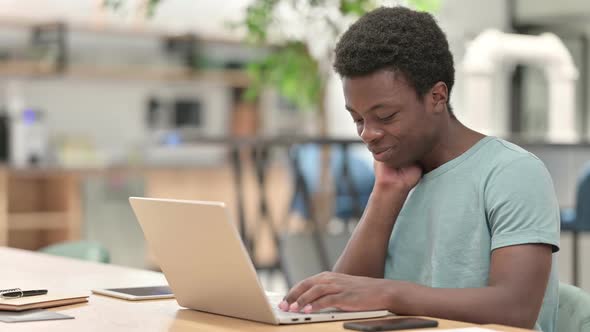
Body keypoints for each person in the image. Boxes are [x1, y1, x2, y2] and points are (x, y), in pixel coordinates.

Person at [278, 6, 560, 331]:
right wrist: (385, 194)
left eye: (385, 117)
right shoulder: (399, 179)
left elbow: (514, 309)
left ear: (437, 97)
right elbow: (346, 300)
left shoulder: (512, 172)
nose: (367, 133)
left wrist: (388, 293)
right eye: (357, 118)